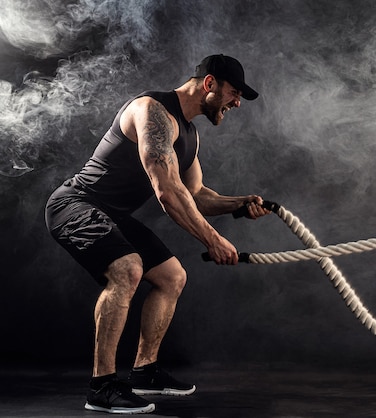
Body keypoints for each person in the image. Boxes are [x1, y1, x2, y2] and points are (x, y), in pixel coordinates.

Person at [45, 54, 271, 414]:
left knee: (172, 277)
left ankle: (144, 372)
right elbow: (168, 191)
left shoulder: (189, 136)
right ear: (209, 84)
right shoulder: (151, 111)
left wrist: (238, 203)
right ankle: (101, 387)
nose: (237, 103)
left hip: (112, 215)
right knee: (128, 269)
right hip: (75, 204)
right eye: (233, 93)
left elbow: (196, 194)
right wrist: (213, 240)